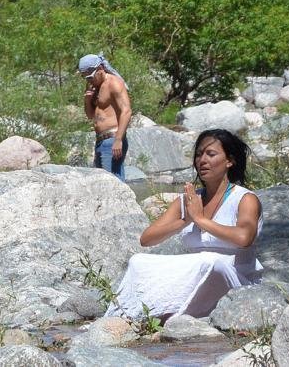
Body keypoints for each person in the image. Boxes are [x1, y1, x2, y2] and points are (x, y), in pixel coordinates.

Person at [106, 129, 263, 319]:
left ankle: (174, 314)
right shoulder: (188, 200)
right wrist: (185, 220)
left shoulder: (245, 199)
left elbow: (244, 238)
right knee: (138, 261)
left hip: (236, 280)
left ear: (229, 161)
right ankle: (129, 315)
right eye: (198, 155)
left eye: (211, 154)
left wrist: (200, 220)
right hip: (197, 275)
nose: (202, 161)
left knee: (211, 262)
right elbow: (146, 239)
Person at [79, 54, 132, 180]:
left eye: (90, 77)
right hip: (100, 141)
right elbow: (90, 115)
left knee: (114, 181)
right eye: (85, 77)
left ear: (100, 68)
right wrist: (87, 100)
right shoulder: (95, 87)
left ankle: (124, 200)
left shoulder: (114, 83)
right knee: (103, 182)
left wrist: (118, 140)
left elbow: (126, 111)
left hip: (112, 139)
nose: (89, 80)